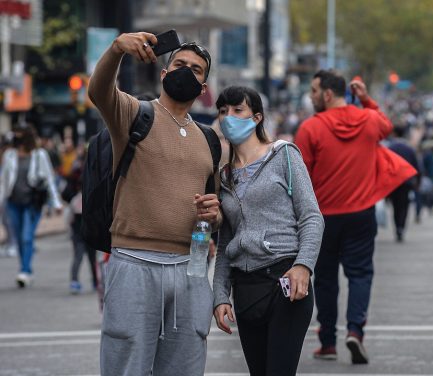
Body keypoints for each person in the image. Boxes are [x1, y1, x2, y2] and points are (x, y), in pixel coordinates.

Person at [87, 32, 221, 375]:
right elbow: (98, 91)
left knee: (186, 368)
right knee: (126, 366)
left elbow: (212, 211)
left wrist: (214, 216)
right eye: (179, 65)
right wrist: (118, 48)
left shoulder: (209, 139)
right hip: (133, 264)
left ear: (203, 88)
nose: (186, 71)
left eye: (196, 69)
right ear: (164, 73)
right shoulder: (134, 114)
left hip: (189, 270)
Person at [294, 70, 415, 364]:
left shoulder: (310, 129)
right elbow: (386, 126)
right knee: (360, 274)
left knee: (324, 279)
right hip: (361, 213)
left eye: (313, 91)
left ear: (327, 94)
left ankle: (327, 342)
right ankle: (356, 331)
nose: (310, 97)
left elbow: (301, 177)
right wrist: (366, 99)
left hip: (322, 217)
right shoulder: (369, 120)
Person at [211, 86, 324, 376]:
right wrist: (220, 295)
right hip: (246, 289)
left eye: (238, 110)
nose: (229, 117)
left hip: (286, 282)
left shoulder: (284, 155)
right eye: (223, 111)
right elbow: (225, 244)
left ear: (257, 117)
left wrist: (303, 266)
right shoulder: (224, 177)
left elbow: (311, 217)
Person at [0, 124, 63, 287]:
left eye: (19, 135)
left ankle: (25, 271)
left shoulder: (39, 155)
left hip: (32, 203)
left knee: (27, 236)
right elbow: (4, 181)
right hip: (13, 202)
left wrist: (56, 202)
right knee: (19, 237)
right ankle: (24, 268)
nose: (15, 138)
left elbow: (49, 179)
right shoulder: (9, 155)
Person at [61, 146, 98, 295]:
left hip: (78, 219)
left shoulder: (76, 172)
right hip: (90, 220)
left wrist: (74, 197)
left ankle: (75, 281)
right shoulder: (96, 170)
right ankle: (95, 282)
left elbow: (65, 193)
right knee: (91, 255)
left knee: (79, 254)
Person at [386, 126, 420, 241]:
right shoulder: (409, 149)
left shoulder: (390, 148)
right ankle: (401, 227)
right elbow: (416, 166)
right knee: (404, 206)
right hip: (406, 182)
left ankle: (397, 227)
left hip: (392, 182)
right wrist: (418, 182)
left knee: (395, 206)